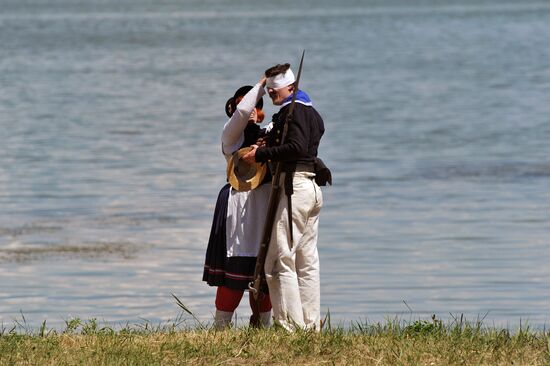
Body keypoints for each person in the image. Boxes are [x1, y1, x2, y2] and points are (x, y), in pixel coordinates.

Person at [242, 63, 325, 331]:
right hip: (309, 187)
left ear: (289, 87)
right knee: (306, 261)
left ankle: (292, 327)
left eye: (273, 89)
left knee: (278, 260)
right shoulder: (310, 112)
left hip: (294, 188)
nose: (270, 94)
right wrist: (273, 144)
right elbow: (303, 146)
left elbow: (297, 147)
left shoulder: (293, 111)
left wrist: (261, 154)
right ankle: (310, 326)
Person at [202, 80, 273, 329]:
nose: (250, 107)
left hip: (263, 203)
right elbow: (243, 113)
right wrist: (263, 84)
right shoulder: (231, 136)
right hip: (238, 203)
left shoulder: (270, 134)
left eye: (256, 105)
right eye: (242, 102)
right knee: (233, 270)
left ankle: (263, 327)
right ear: (232, 109)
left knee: (264, 272)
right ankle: (221, 328)